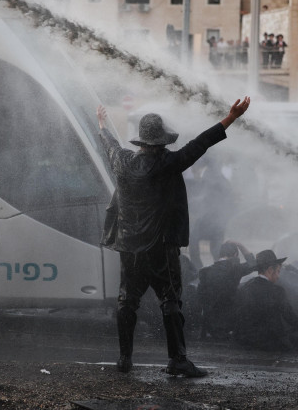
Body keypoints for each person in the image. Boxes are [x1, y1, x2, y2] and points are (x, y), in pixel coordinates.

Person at [97, 96, 251, 377]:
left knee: (127, 301)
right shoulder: (168, 163)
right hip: (160, 249)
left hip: (129, 248)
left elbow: (109, 145)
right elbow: (200, 144)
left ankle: (124, 358)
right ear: (162, 142)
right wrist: (230, 118)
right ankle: (177, 360)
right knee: (170, 301)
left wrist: (102, 124)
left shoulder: (122, 161)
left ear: (141, 141)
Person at [234, 250, 298, 351]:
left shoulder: (244, 287)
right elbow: (289, 315)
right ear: (269, 270)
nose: (278, 276)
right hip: (269, 341)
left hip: (245, 339)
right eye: (278, 271)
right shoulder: (276, 291)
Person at [197, 240, 256, 340]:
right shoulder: (235, 269)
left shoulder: (204, 271)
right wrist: (240, 244)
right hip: (227, 324)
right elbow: (253, 263)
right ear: (235, 255)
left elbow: (201, 297)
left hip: (209, 325)